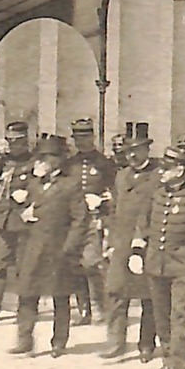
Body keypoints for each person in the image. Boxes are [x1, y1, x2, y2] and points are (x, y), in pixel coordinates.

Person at [129, 137, 185, 369]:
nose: (162, 172)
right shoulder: (156, 195)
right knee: (161, 314)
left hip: (183, 265)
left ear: (179, 170)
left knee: (180, 313)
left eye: (166, 168)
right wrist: (137, 252)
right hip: (157, 263)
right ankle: (168, 357)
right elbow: (142, 226)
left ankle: (178, 362)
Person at [11, 136, 90, 356]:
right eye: (42, 157)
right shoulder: (33, 182)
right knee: (26, 293)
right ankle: (24, 339)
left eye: (48, 158)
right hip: (32, 246)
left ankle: (59, 341)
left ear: (59, 160)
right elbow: (20, 206)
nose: (43, 162)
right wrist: (23, 213)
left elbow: (80, 218)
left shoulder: (70, 184)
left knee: (60, 295)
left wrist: (70, 247)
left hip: (58, 247)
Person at [102, 126, 160, 361]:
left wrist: (142, 239)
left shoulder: (157, 175)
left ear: (147, 149)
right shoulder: (121, 175)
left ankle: (146, 344)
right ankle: (115, 342)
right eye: (128, 151)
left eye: (137, 150)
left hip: (148, 242)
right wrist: (110, 238)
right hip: (122, 241)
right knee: (115, 291)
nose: (132, 156)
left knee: (149, 295)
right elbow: (115, 209)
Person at [0, 121, 34, 324]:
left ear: (25, 141)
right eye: (10, 141)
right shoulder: (2, 162)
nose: (13, 146)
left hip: (25, 221)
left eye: (17, 142)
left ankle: (25, 310)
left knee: (24, 268)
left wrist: (28, 196)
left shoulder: (33, 163)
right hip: (4, 220)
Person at [66, 117, 116, 325]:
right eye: (78, 137)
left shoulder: (104, 163)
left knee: (93, 264)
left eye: (85, 136)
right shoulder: (70, 165)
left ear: (93, 137)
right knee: (75, 265)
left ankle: (99, 307)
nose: (81, 141)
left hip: (95, 220)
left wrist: (102, 201)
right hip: (74, 221)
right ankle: (83, 309)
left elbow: (115, 193)